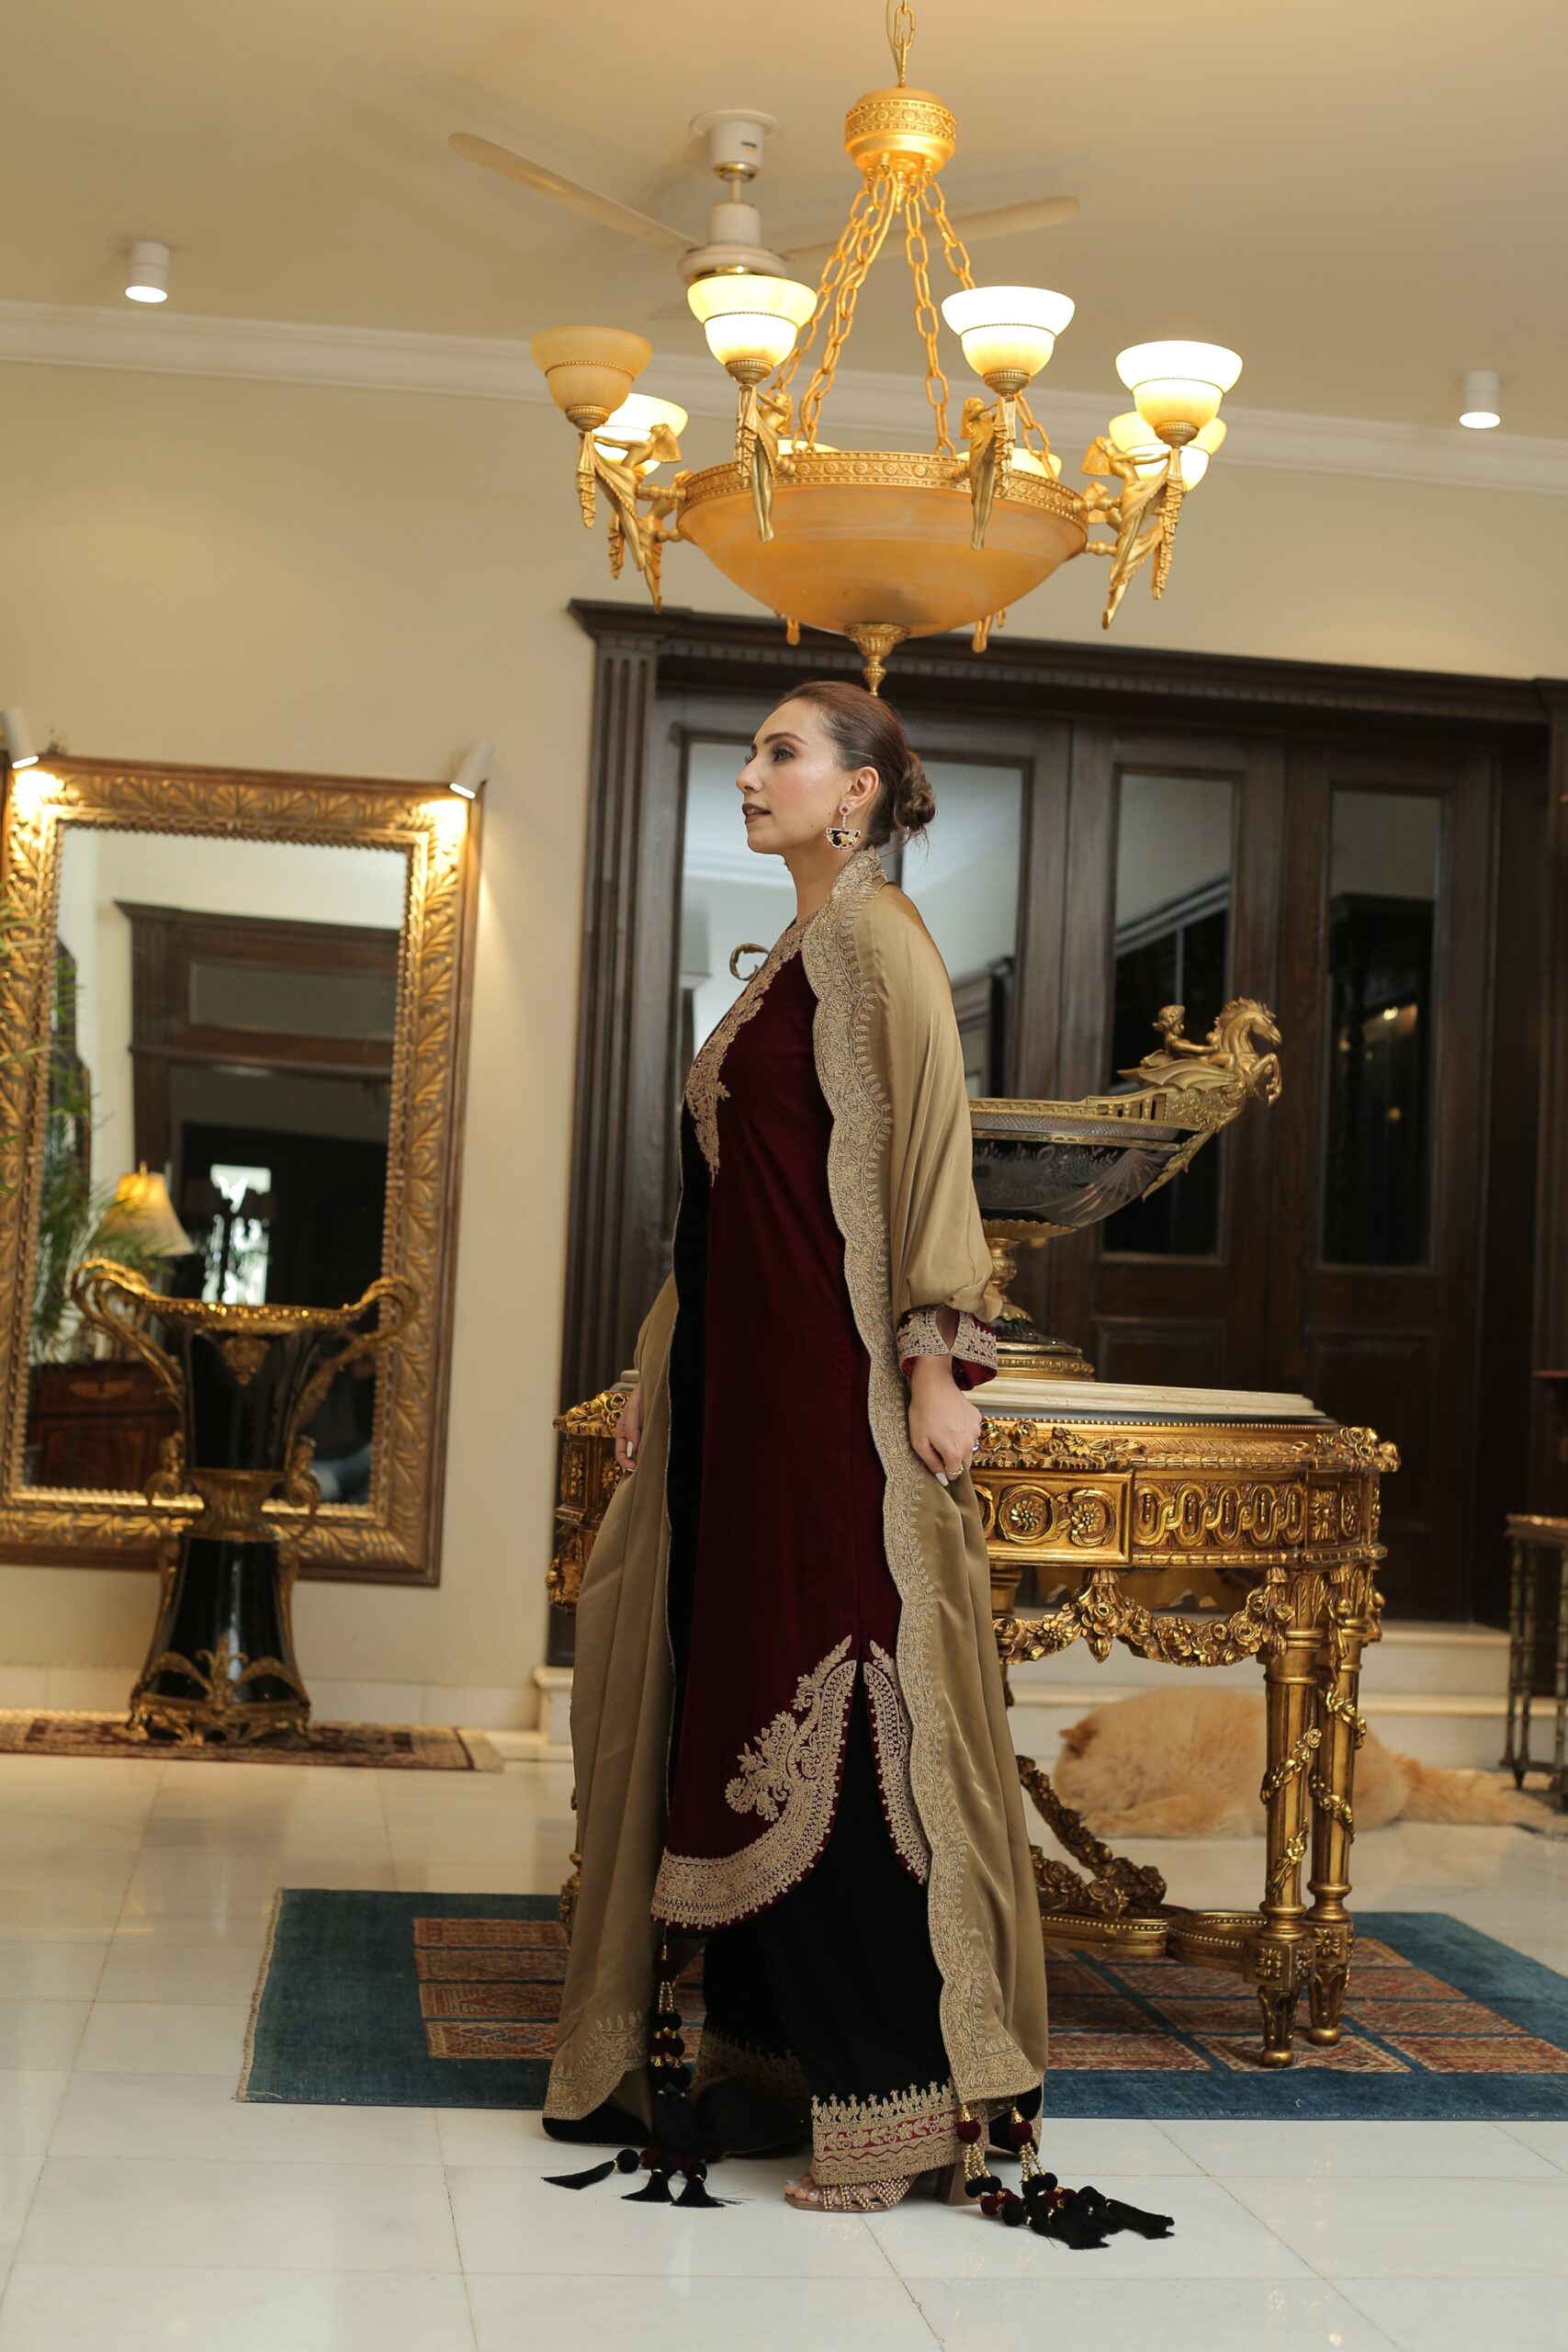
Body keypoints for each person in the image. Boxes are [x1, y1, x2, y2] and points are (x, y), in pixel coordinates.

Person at [544, 680, 1049, 2214]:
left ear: (860, 790)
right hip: (740, 1408)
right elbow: (724, 1211)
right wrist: (661, 1364)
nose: (751, 775)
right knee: (742, 1688)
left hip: (834, 1404)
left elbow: (926, 1160)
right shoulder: (783, 959)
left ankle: (892, 2102)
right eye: (754, 752)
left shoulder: (881, 941)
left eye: (783, 753)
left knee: (846, 1699)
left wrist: (935, 1365)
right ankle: (766, 2060)